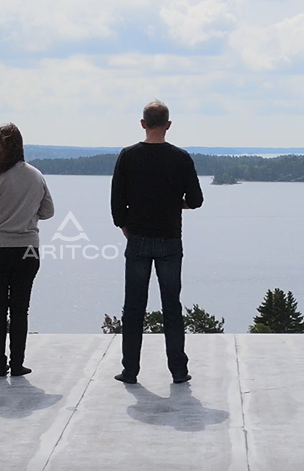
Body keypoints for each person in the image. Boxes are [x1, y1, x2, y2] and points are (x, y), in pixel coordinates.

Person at [110, 100, 203, 385]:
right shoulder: (181, 158)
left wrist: (124, 226)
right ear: (168, 125)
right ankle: (178, 371)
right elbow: (196, 200)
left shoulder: (128, 156)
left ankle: (130, 370)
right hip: (170, 240)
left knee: (133, 307)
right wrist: (176, 204)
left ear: (142, 124)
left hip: (137, 238)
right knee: (172, 307)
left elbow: (117, 201)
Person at [0, 123, 54, 377]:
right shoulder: (35, 175)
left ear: (5, 146)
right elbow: (48, 211)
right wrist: (26, 215)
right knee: (20, 309)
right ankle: (17, 363)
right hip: (27, 249)